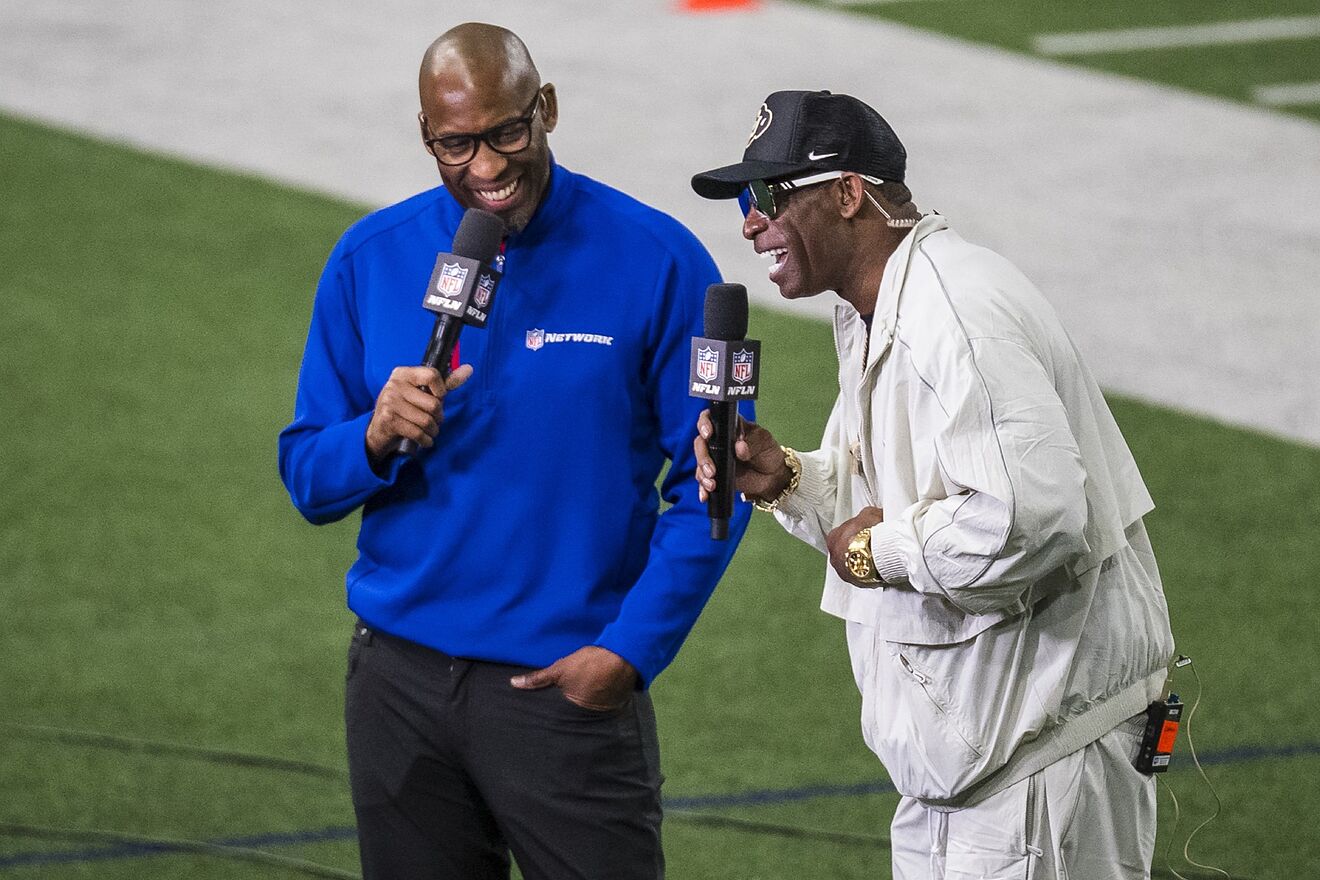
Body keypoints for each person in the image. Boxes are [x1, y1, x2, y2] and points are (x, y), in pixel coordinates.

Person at [278, 23, 749, 880]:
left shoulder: (658, 260)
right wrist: (374, 436)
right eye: (457, 143)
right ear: (427, 136)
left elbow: (720, 484)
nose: (487, 167)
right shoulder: (369, 259)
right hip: (397, 689)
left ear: (549, 110)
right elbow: (308, 474)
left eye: (507, 132)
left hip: (563, 692)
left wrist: (630, 651)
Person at [690, 90, 1175, 879]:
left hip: (1041, 771)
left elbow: (1034, 516)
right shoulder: (877, 308)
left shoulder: (954, 314)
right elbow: (897, 500)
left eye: (769, 197)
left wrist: (877, 551)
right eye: (748, 201)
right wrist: (788, 480)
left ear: (849, 194)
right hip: (973, 775)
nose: (750, 222)